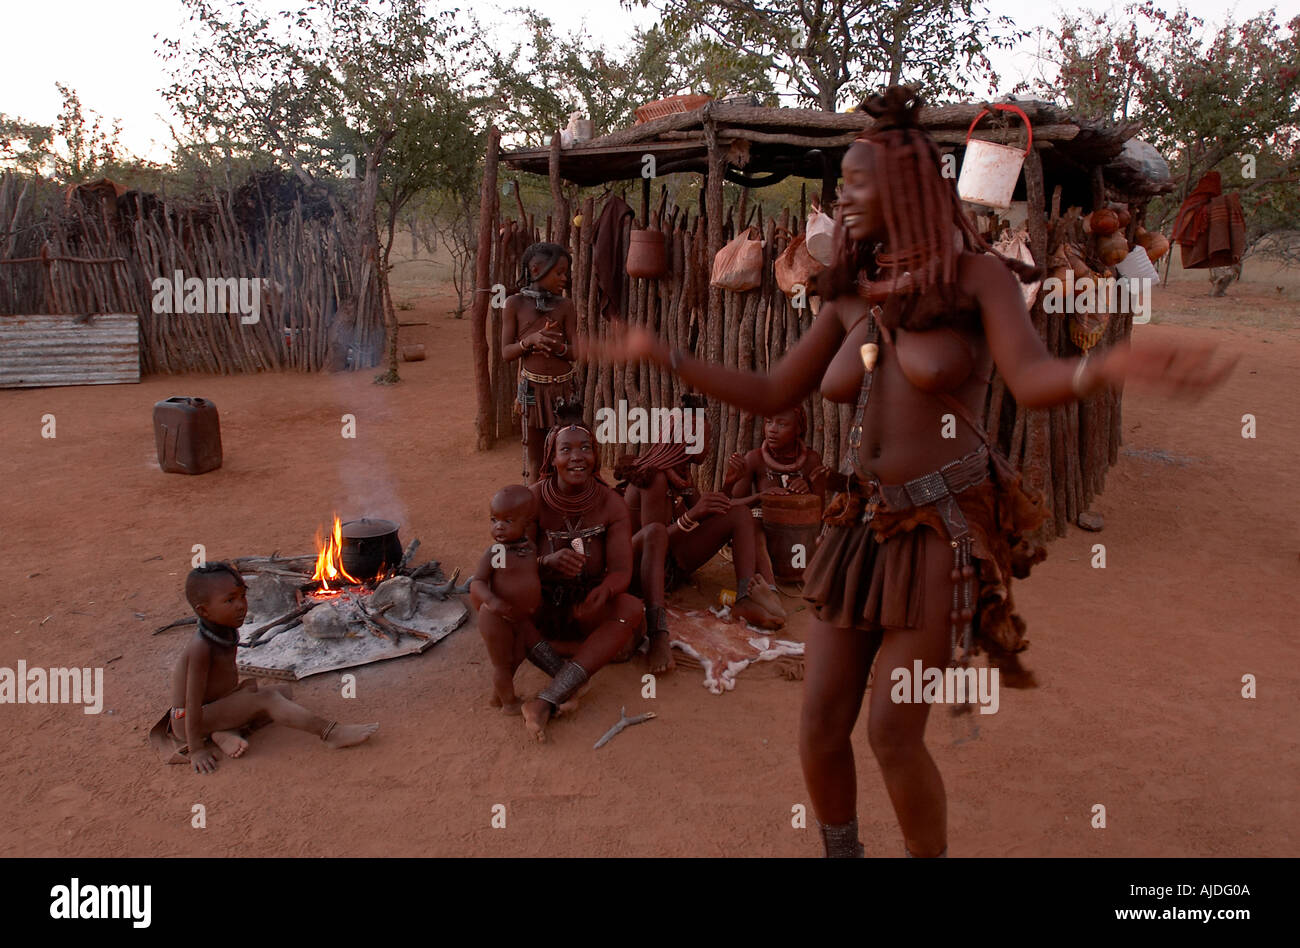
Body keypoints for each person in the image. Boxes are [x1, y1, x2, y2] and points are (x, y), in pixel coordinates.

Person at [598, 85, 1234, 856]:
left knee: (894, 734)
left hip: (941, 531)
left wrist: (1110, 366)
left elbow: (1031, 380)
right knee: (821, 724)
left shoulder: (978, 280)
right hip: (858, 527)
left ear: (905, 189)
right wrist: (664, 353)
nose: (844, 198)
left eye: (860, 184)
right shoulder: (850, 295)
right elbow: (773, 391)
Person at [155, 562, 378, 774]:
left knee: (283, 693)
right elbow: (191, 703)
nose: (241, 605)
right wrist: (196, 750)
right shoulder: (201, 648)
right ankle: (331, 733)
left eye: (242, 595)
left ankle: (223, 731)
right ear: (204, 611)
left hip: (216, 705)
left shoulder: (224, 629)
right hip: (189, 718)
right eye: (230, 600)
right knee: (268, 700)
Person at [615, 395, 787, 652]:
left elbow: (714, 513)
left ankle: (744, 598)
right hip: (646, 576)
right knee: (733, 515)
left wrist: (731, 485)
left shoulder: (681, 471)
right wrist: (691, 515)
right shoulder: (655, 478)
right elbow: (653, 541)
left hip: (671, 564)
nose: (709, 446)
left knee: (740, 515)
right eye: (706, 440)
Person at [523, 408, 645, 742]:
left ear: (596, 456)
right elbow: (510, 560)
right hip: (542, 605)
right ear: (552, 458)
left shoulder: (611, 504)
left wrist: (605, 591)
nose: (577, 457)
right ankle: (575, 667)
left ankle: (546, 698)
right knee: (500, 602)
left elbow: (621, 570)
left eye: (585, 448)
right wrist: (545, 562)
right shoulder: (534, 499)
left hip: (584, 606)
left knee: (632, 610)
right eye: (567, 450)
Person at [723, 406, 828, 585]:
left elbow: (822, 514)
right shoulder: (754, 459)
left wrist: (808, 490)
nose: (772, 429)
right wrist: (760, 496)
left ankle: (799, 575)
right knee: (753, 525)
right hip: (762, 533)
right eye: (768, 422)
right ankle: (770, 586)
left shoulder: (812, 460)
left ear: (798, 429)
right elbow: (731, 504)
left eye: (782, 424)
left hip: (800, 539)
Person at [503, 243, 578, 483]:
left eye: (566, 272)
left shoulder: (565, 306)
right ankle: (537, 510)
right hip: (533, 393)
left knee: (563, 455)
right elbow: (506, 352)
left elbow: (575, 352)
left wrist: (558, 348)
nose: (564, 278)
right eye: (559, 272)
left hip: (563, 392)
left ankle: (562, 506)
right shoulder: (515, 304)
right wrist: (530, 341)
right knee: (536, 460)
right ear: (535, 270)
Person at [470, 485, 544, 714]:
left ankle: (497, 696)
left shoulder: (529, 548)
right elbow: (477, 582)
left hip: (518, 617)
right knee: (502, 663)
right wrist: (492, 601)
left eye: (508, 521)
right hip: (496, 617)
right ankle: (509, 704)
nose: (498, 526)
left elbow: (531, 574)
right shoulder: (496, 553)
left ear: (527, 523)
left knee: (518, 656)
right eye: (494, 520)